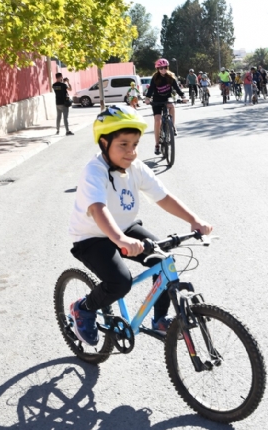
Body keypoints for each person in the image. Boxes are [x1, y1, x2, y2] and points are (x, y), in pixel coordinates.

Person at [66, 104, 213, 345]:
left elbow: (163, 197)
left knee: (165, 261)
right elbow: (97, 209)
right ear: (104, 143)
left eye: (135, 145)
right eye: (123, 144)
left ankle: (160, 319)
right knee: (119, 283)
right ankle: (83, 307)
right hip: (91, 237)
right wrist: (121, 241)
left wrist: (194, 220)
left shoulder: (135, 167)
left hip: (124, 228)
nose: (131, 152)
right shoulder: (95, 171)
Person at [145, 59, 185, 155]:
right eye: (161, 68)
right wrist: (147, 98)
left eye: (165, 68)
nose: (163, 70)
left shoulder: (171, 77)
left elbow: (177, 88)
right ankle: (157, 144)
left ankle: (172, 126)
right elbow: (150, 90)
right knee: (157, 120)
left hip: (167, 98)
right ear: (158, 69)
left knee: (171, 106)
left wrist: (183, 96)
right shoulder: (155, 78)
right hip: (156, 100)